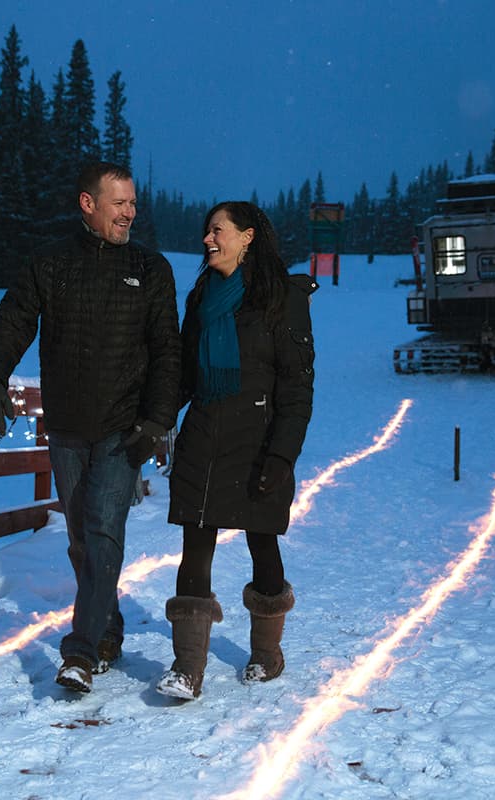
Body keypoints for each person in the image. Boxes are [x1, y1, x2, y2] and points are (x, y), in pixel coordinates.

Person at [0, 162, 180, 693]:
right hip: (66, 425)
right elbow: (14, 318)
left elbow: (167, 351)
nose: (130, 212)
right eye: (119, 203)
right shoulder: (51, 263)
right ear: (88, 204)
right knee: (80, 537)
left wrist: (157, 420)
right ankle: (107, 627)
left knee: (105, 530)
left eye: (133, 203)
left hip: (123, 426)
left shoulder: (151, 268)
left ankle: (81, 651)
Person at [157, 201, 316, 700]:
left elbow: (297, 387)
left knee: (261, 544)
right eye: (207, 231)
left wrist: (281, 457)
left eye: (217, 230)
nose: (208, 239)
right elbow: (184, 372)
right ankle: (188, 668)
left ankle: (268, 652)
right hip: (205, 431)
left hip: (260, 439)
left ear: (247, 237)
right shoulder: (203, 295)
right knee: (195, 545)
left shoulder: (282, 298)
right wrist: (153, 419)